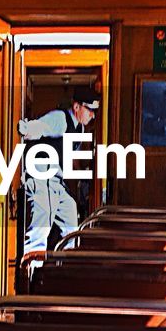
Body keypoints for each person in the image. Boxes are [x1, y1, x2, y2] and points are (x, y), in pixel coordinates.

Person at [17, 85, 100, 254]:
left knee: (70, 217)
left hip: (56, 181)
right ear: (77, 107)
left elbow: (70, 156)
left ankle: (64, 269)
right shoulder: (60, 118)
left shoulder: (79, 128)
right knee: (40, 229)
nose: (92, 115)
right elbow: (38, 127)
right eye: (89, 110)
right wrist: (25, 129)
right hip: (42, 178)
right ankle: (31, 274)